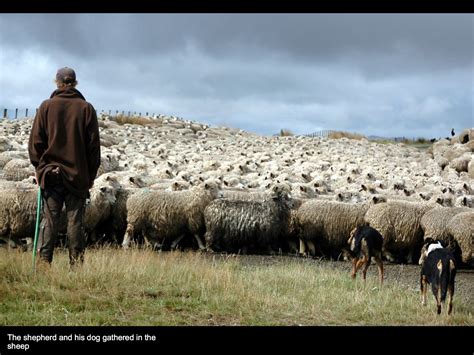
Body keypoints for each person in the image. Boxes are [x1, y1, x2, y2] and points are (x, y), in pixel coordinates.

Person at [28, 67, 101, 268]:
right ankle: (76, 267)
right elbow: (93, 148)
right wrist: (90, 175)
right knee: (75, 222)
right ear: (75, 83)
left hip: (51, 174)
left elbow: (35, 142)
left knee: (49, 220)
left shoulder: (46, 107)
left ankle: (44, 265)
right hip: (77, 176)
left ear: (57, 82)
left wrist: (40, 167)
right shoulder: (86, 109)